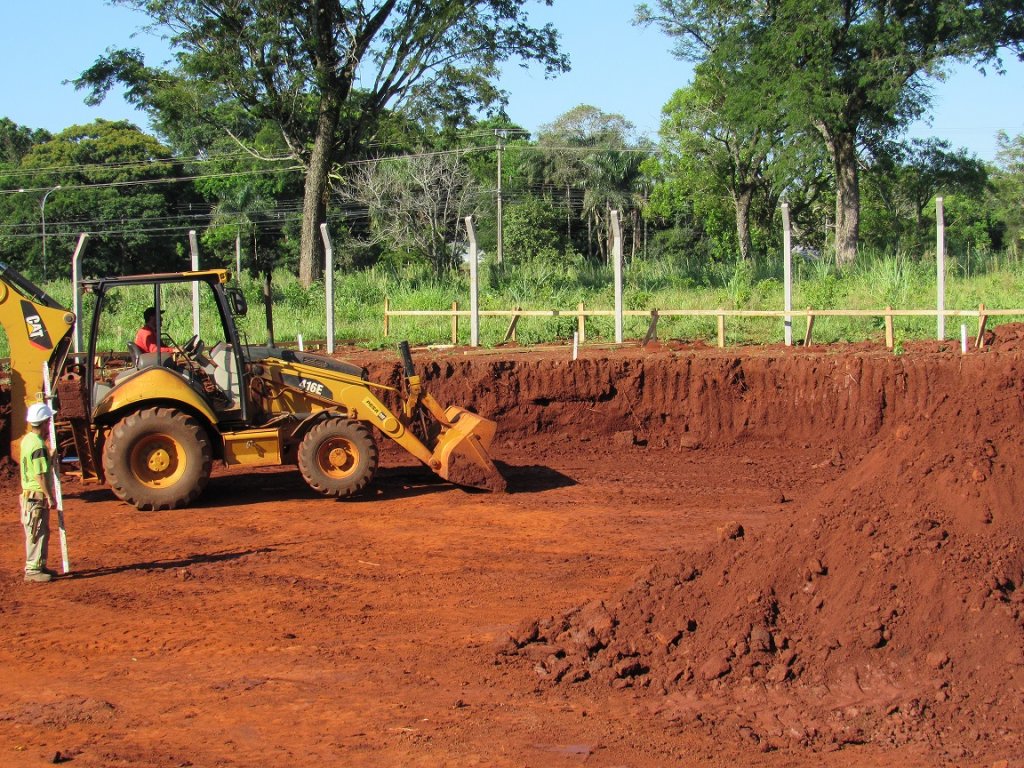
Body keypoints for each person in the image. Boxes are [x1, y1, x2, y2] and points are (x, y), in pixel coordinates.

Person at [20, 403, 57, 583]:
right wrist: (49, 496)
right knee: (37, 532)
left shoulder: (28, 440)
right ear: (43, 423)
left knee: (40, 531)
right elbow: (40, 474)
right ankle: (33, 569)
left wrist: (49, 456)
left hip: (30, 496)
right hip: (36, 497)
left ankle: (39, 565)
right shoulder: (38, 446)